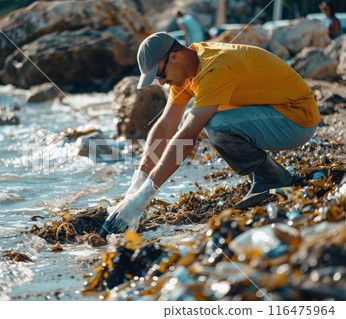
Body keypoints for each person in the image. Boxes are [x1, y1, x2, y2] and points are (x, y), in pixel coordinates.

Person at [99, 32, 320, 237]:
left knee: (211, 124)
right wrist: (134, 189)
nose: (162, 82)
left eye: (159, 74)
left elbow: (186, 137)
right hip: (270, 115)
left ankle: (272, 177)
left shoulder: (215, 66)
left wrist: (143, 198)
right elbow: (166, 127)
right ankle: (267, 174)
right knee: (203, 120)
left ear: (174, 57)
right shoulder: (188, 69)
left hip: (296, 119)